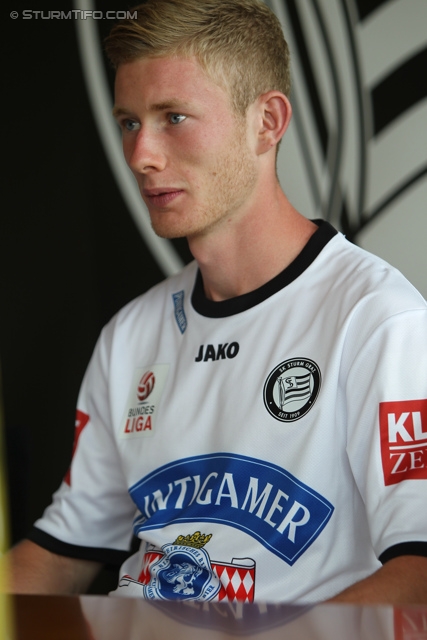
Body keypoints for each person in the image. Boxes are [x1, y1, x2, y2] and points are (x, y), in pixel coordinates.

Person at [5, 0, 427, 604]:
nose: (140, 155)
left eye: (173, 117)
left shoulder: (379, 319)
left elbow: (420, 578)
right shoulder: (132, 333)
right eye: (129, 122)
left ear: (267, 121)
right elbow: (63, 552)